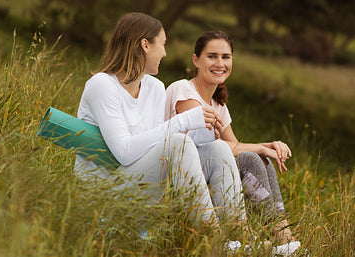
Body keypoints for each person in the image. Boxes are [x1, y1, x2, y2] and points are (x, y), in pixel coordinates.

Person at [74, 13, 247, 234]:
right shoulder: (102, 85)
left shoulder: (154, 87)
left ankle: (240, 237)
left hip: (141, 182)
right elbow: (125, 153)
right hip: (106, 192)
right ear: (145, 45)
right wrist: (184, 120)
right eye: (163, 44)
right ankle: (214, 239)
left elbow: (153, 147)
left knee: (219, 149)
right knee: (178, 143)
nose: (165, 53)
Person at [165, 30, 300, 253]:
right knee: (252, 155)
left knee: (257, 159)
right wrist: (261, 147)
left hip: (209, 169)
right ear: (196, 60)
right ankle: (270, 235)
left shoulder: (219, 105)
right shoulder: (183, 90)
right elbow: (202, 147)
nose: (220, 63)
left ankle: (284, 236)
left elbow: (234, 150)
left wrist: (268, 147)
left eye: (225, 57)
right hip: (177, 171)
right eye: (212, 56)